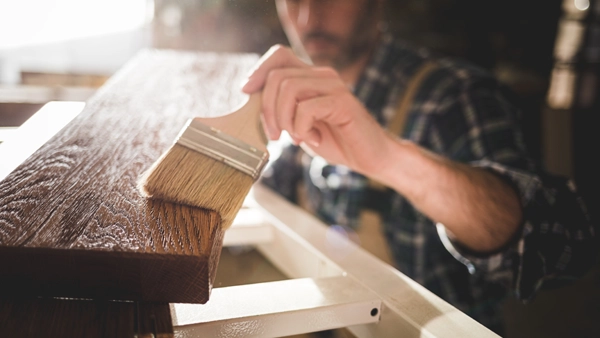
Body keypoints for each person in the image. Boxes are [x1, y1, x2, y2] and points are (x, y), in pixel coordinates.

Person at [241, 0, 598, 334]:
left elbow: (565, 244)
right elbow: (271, 198)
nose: (307, 19)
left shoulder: (452, 96)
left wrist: (390, 158)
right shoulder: (298, 98)